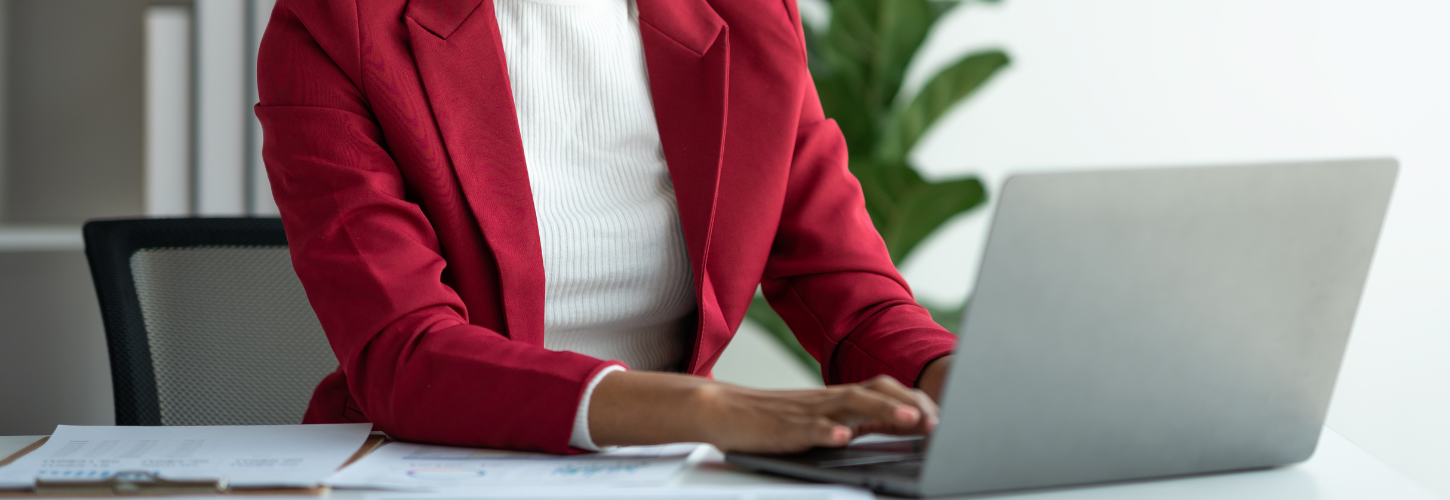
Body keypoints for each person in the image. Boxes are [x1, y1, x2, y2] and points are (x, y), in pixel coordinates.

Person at [255, 0, 957, 454]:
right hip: (427, 466)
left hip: (664, 471)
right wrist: (706, 409)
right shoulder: (335, 23)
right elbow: (405, 356)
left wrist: (954, 377)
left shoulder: (745, 15)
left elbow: (849, 293)